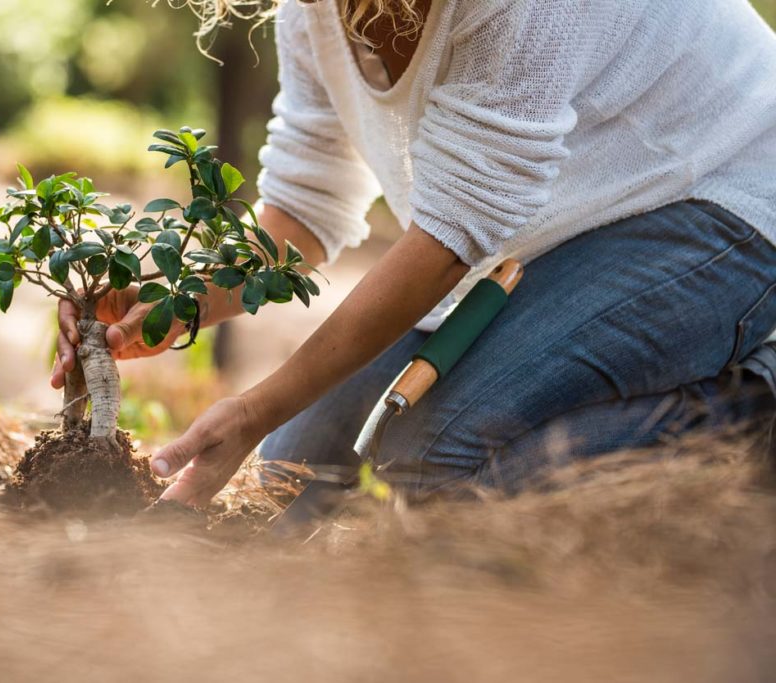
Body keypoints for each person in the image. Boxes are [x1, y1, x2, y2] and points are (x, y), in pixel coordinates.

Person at [53, 0, 776, 507]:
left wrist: (253, 409)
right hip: (544, 238)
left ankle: (751, 412)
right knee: (297, 474)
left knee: (436, 470)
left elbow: (448, 238)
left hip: (720, 197)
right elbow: (306, 204)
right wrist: (171, 303)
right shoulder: (315, 12)